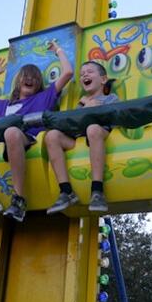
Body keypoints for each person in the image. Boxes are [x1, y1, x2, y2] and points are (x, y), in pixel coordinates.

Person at [0, 42, 73, 223]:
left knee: (12, 132)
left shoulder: (43, 97)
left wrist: (58, 51)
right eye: (26, 76)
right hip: (3, 145)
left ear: (39, 83)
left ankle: (19, 198)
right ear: (19, 81)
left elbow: (68, 73)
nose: (30, 79)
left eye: (34, 77)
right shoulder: (5, 105)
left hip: (26, 139)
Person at [45, 61, 118, 214]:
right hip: (79, 138)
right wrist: (85, 105)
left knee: (92, 129)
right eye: (82, 74)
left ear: (103, 79)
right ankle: (66, 191)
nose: (84, 75)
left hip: (100, 133)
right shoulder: (82, 103)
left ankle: (97, 190)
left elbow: (112, 118)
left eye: (89, 71)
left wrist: (91, 104)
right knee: (51, 136)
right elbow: (75, 122)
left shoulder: (111, 98)